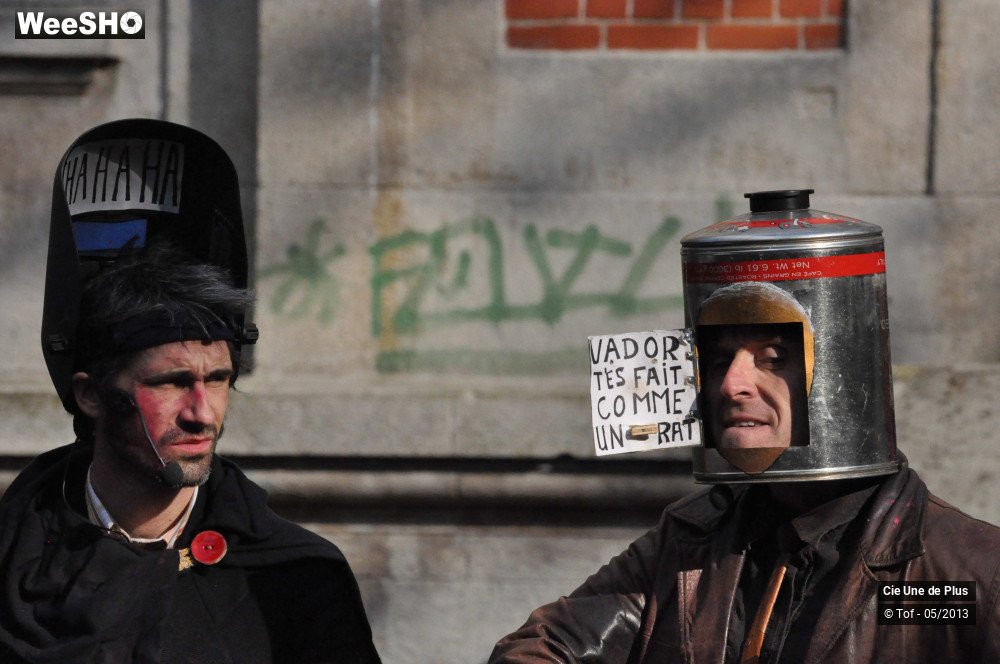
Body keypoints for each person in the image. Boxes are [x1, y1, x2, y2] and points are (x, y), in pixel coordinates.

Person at [489, 190, 1000, 663]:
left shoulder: (958, 575)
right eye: (718, 359)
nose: (732, 384)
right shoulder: (689, 543)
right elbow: (543, 647)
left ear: (839, 371)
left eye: (772, 357)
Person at [0, 120, 381, 663]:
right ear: (90, 396)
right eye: (172, 382)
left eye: (219, 380)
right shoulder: (14, 557)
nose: (203, 413)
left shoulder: (292, 578)